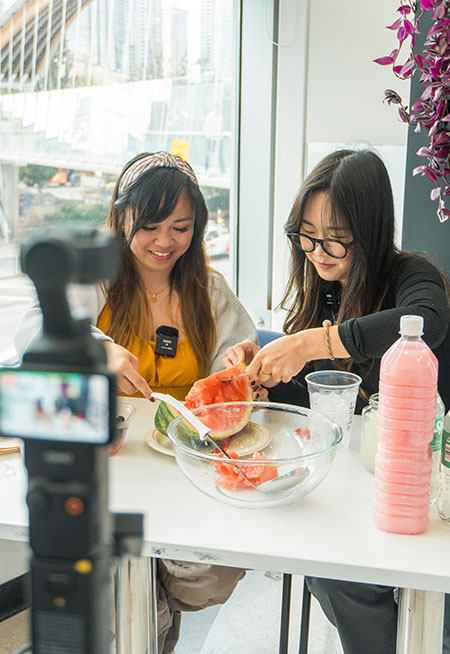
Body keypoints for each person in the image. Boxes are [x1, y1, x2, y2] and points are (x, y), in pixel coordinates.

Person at [14, 151, 258, 654]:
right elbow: (29, 330)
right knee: (131, 608)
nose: (165, 242)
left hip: (185, 471)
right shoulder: (95, 282)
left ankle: (154, 599)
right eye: (149, 226)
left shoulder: (211, 294)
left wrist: (243, 367)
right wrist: (97, 346)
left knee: (194, 577)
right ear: (121, 216)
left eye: (182, 227)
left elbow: (236, 374)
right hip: (114, 467)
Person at [223, 148, 450, 654]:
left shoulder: (413, 277)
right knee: (329, 571)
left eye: (336, 239)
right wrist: (262, 376)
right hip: (364, 481)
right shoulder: (325, 289)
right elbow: (327, 397)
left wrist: (309, 344)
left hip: (430, 480)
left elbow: (426, 322)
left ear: (369, 231)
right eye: (305, 234)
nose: (317, 251)